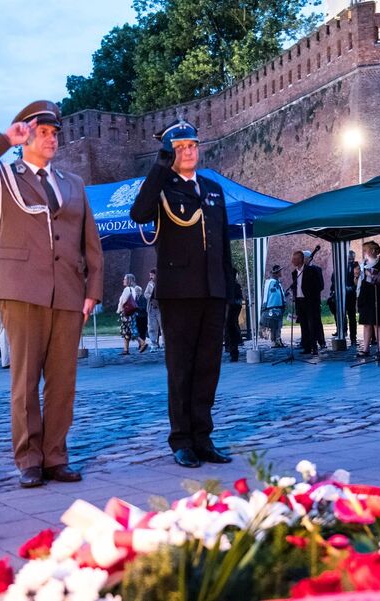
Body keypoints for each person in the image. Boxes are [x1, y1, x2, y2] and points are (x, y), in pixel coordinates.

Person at [0, 99, 104, 487]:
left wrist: (93, 290)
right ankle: (29, 459)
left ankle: (56, 455)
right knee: (24, 381)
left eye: (55, 133)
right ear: (26, 135)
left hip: (69, 294)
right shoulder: (1, 179)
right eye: (43, 132)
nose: (52, 139)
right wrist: (5, 139)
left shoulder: (73, 183)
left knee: (62, 381)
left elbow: (91, 242)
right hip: (22, 291)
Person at [130, 118, 234, 469]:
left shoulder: (212, 188)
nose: (189, 151)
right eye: (180, 148)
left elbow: (222, 242)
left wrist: (228, 289)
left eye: (192, 146)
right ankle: (181, 440)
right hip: (179, 294)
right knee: (181, 368)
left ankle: (203, 437)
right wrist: (159, 165)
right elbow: (139, 212)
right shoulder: (162, 187)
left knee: (208, 368)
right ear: (169, 153)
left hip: (212, 291)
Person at [356, 241, 380, 357]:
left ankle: (379, 348)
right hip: (365, 295)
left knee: (377, 323)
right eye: (364, 250)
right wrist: (357, 275)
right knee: (366, 323)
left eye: (366, 250)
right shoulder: (362, 264)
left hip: (376, 294)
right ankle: (365, 348)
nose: (364, 253)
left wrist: (371, 275)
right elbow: (358, 282)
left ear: (373, 251)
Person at [291, 250, 325, 356]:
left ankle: (315, 347)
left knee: (312, 325)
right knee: (304, 325)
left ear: (301, 259)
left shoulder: (311, 271)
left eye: (295, 259)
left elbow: (320, 286)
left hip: (310, 302)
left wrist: (312, 296)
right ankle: (307, 347)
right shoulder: (294, 273)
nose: (293, 261)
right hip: (300, 301)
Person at [117, 274, 147, 355]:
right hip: (131, 312)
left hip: (126, 313)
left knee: (129, 330)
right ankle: (126, 349)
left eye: (124, 279)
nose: (123, 280)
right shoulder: (133, 289)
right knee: (127, 330)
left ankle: (142, 343)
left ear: (128, 280)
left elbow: (123, 301)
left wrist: (119, 310)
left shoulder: (127, 289)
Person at [262, 264, 286, 347]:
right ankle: (274, 341)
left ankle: (277, 340)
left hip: (278, 307)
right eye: (280, 271)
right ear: (276, 273)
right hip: (274, 307)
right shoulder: (272, 283)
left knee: (277, 325)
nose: (281, 273)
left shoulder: (276, 283)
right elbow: (274, 296)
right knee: (274, 325)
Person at [224, 269, 244, 362]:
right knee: (231, 329)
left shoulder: (231, 286)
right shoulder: (233, 286)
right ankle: (232, 350)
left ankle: (232, 350)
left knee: (230, 329)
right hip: (232, 310)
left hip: (231, 310)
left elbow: (238, 301)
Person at [144, 268, 163, 351]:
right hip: (151, 308)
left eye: (152, 275)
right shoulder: (150, 283)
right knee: (152, 327)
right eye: (150, 275)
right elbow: (146, 293)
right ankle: (153, 344)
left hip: (160, 308)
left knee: (163, 327)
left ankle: (164, 344)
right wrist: (150, 298)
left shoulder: (162, 283)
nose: (150, 277)